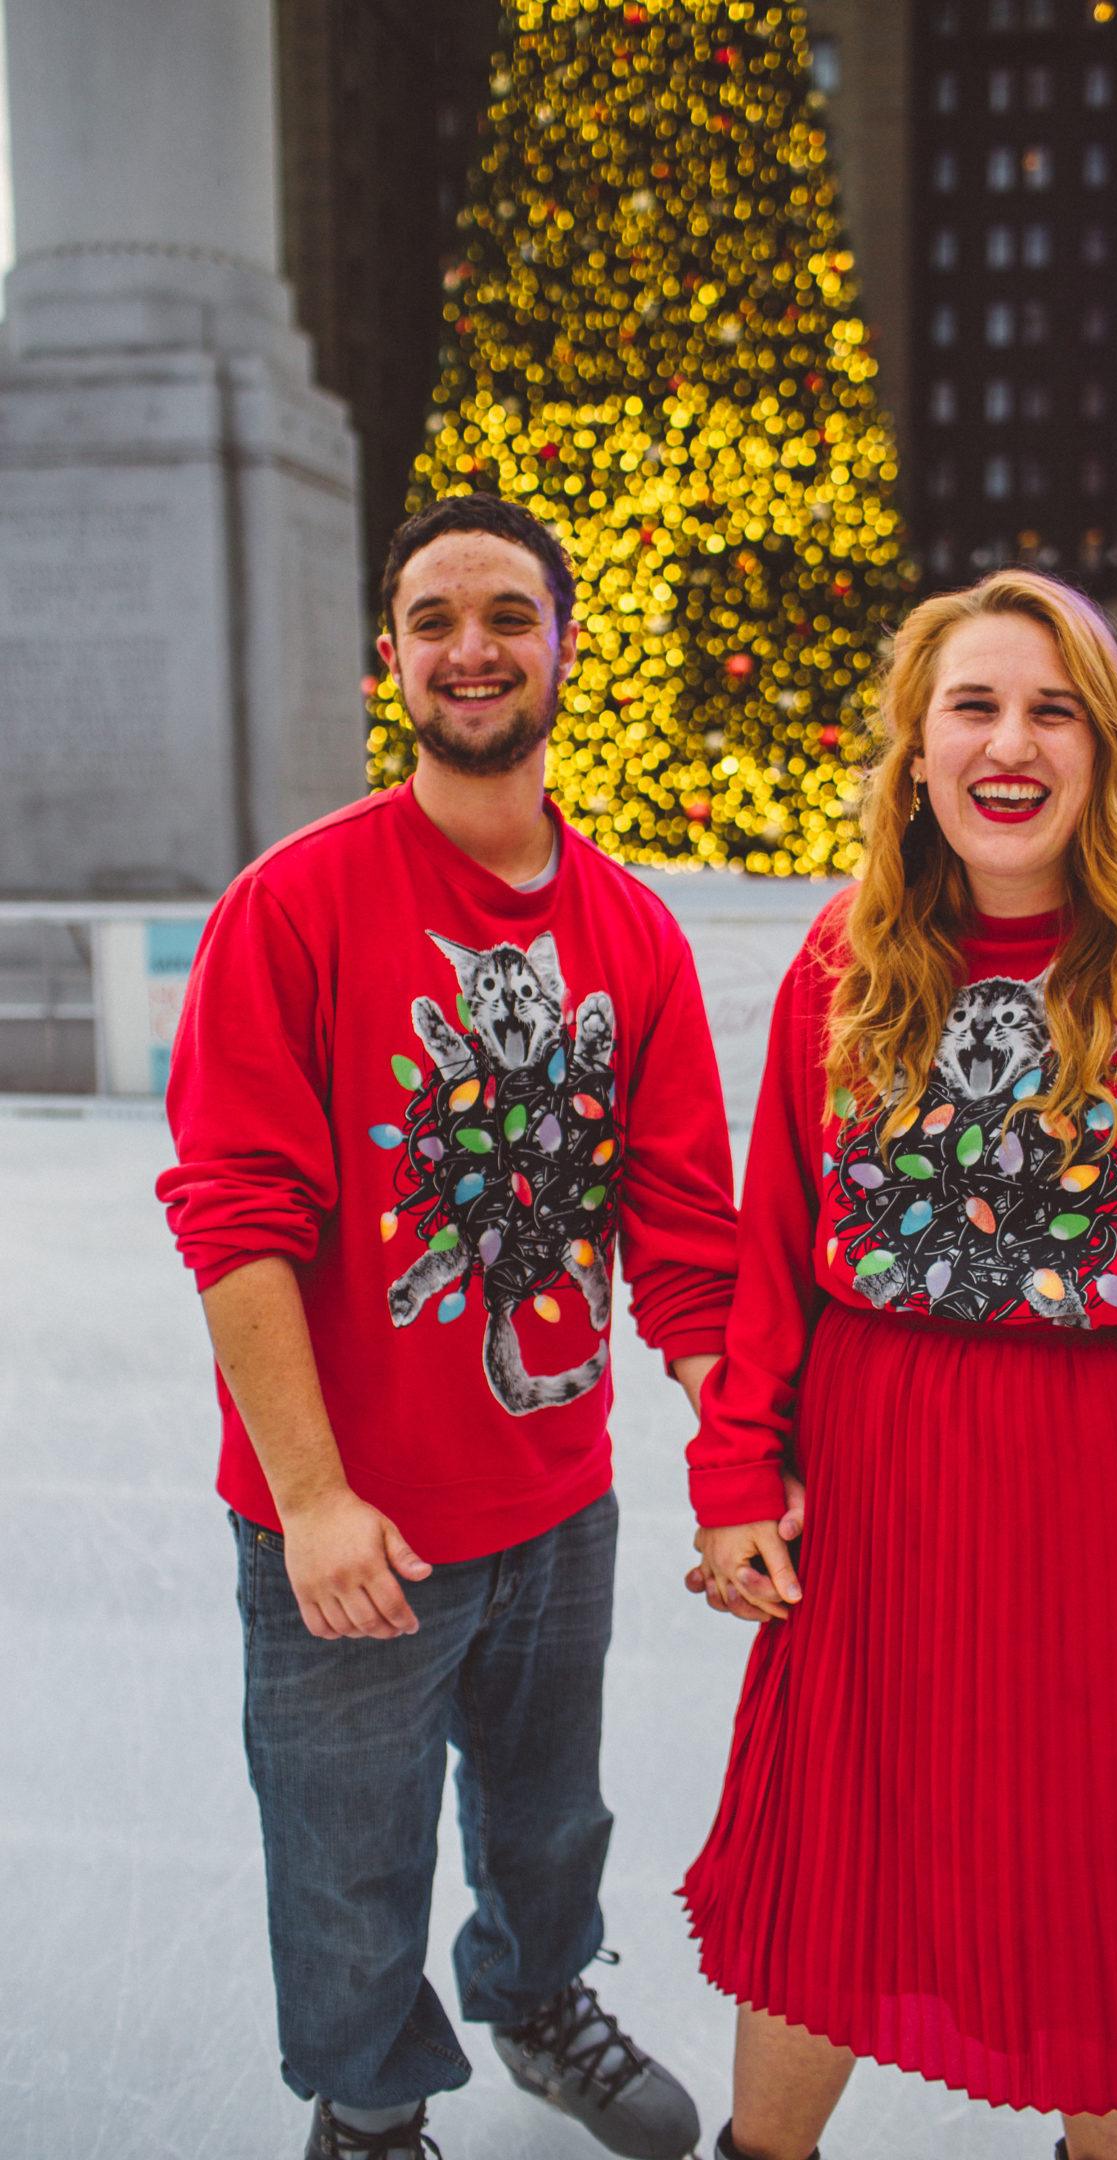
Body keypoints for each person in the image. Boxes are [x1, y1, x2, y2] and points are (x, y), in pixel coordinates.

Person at [681, 571, 1117, 2160]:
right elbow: (773, 1246)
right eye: (974, 707)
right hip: (876, 1496)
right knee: (828, 1867)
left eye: (1052, 708)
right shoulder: (844, 958)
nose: (1011, 743)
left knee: (1103, 1880)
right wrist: (735, 1477)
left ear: (1105, 745)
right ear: (916, 751)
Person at [158, 495, 738, 2160]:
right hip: (356, 1518)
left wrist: (739, 1452)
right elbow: (236, 1224)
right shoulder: (295, 905)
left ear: (563, 645)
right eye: (432, 619)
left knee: (552, 1818)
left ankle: (539, 1996)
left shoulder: (630, 931)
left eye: (504, 613)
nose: (469, 646)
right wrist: (317, 1498)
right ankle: (370, 2102)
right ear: (391, 659)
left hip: (559, 1500)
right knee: (347, 1853)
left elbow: (687, 1236)